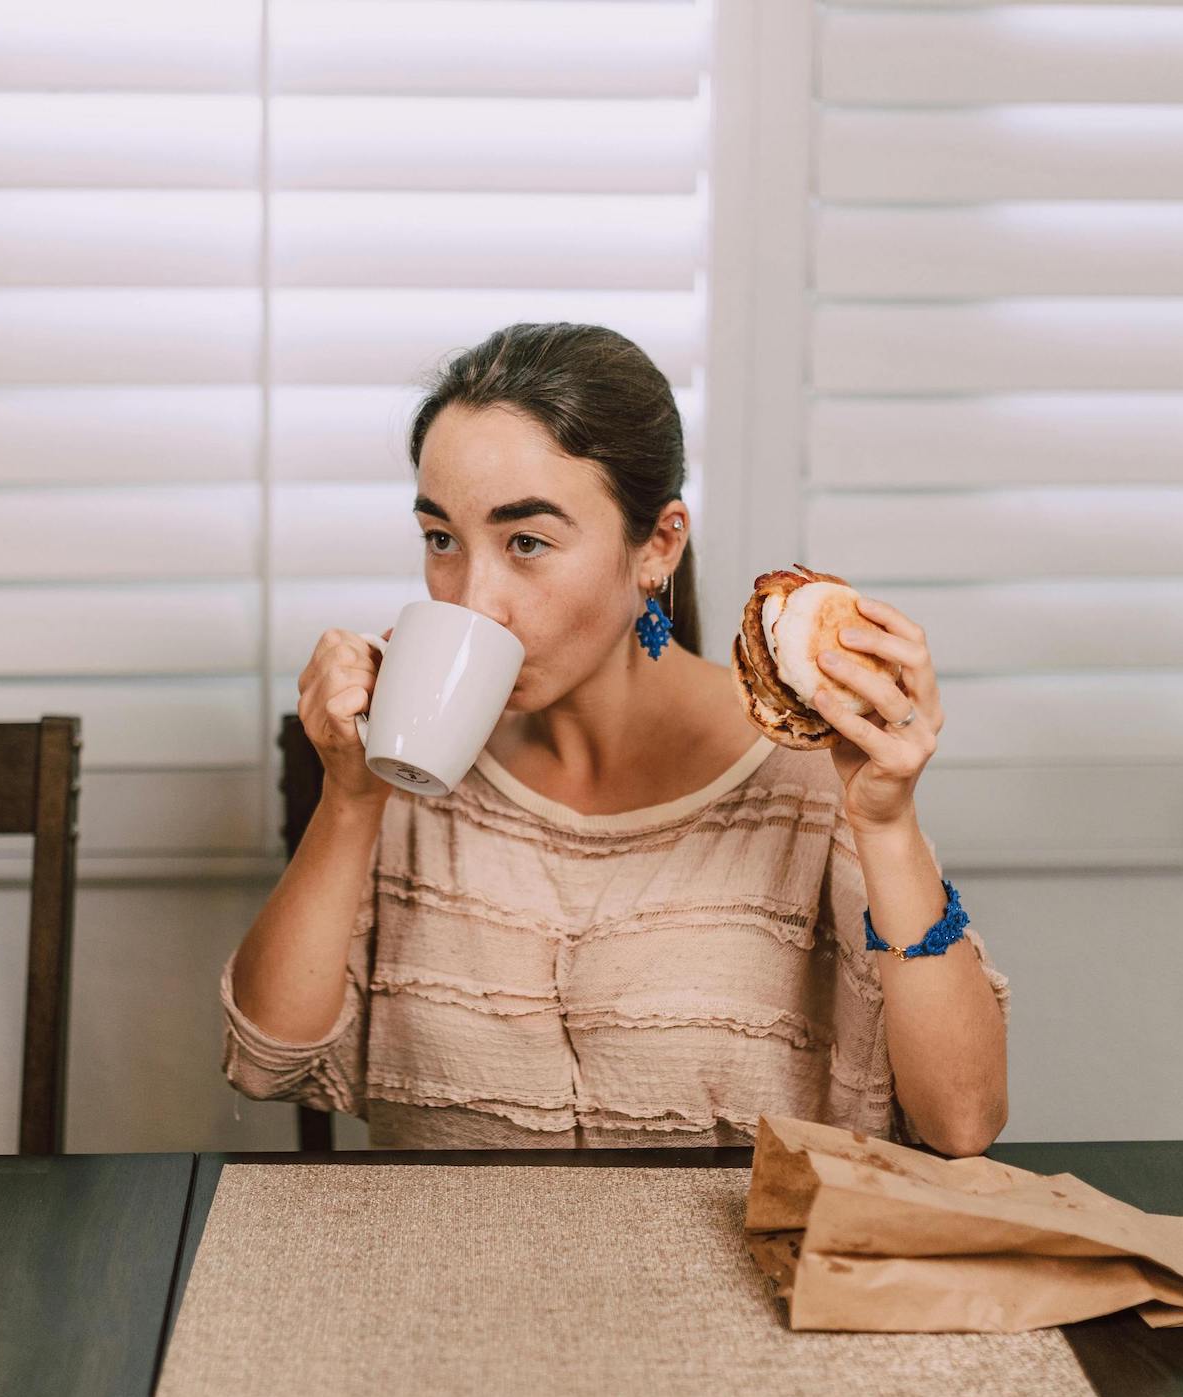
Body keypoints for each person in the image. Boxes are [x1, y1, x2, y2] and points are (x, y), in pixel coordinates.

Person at [220, 322, 1011, 1153]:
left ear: (657, 546)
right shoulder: (410, 765)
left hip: (734, 1278)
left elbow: (959, 1120)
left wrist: (885, 825)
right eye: (441, 539)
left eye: (525, 541)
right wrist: (350, 799)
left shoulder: (812, 771)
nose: (470, 598)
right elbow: (264, 1063)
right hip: (446, 1274)